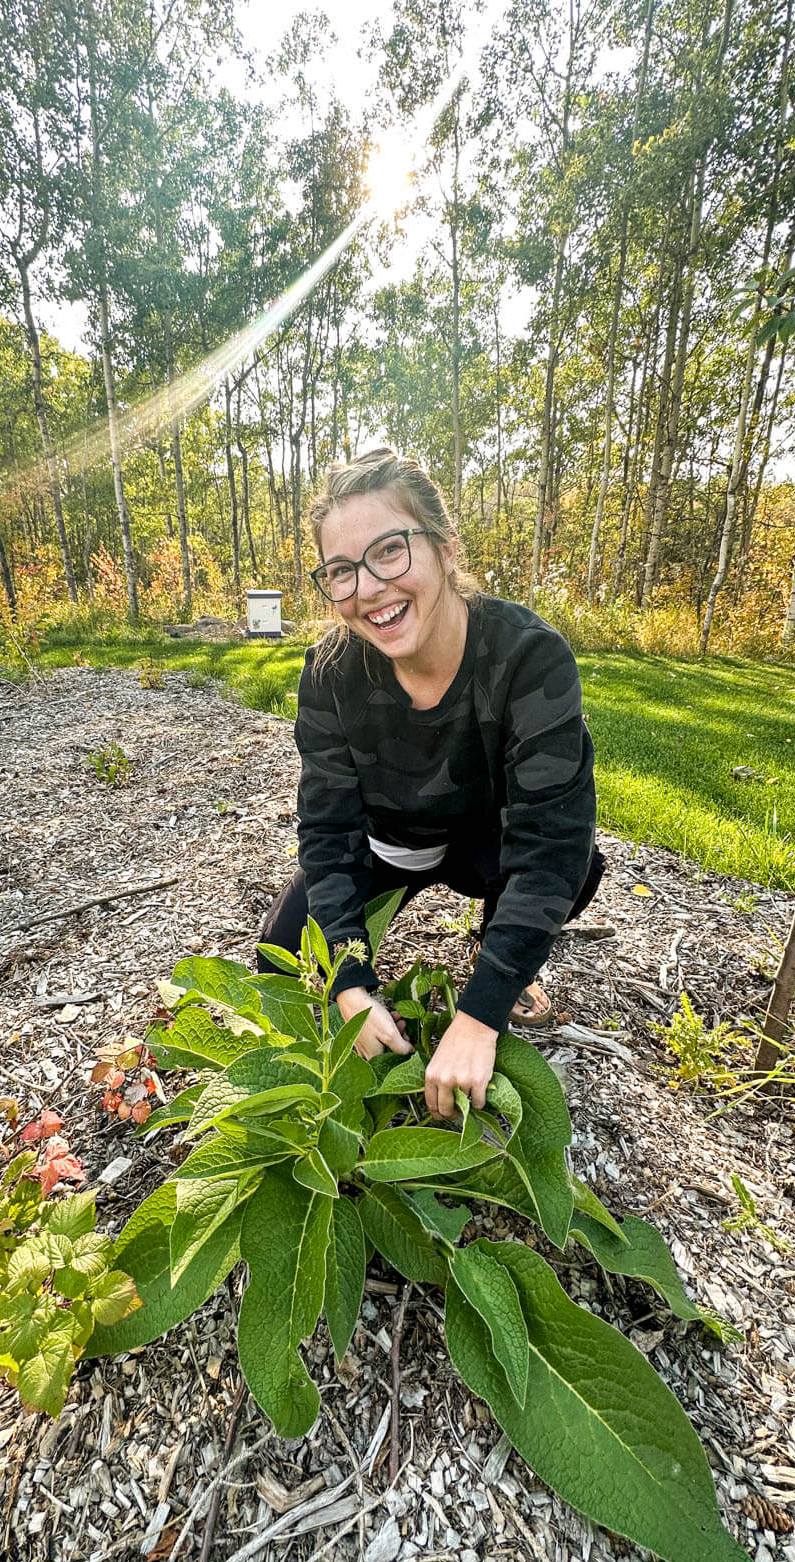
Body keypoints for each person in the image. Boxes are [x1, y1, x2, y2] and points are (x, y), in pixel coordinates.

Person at [258, 447, 602, 1120]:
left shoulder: (527, 657)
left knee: (574, 869)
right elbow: (328, 832)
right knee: (281, 958)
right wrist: (350, 977)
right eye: (341, 571)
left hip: (486, 843)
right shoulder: (330, 671)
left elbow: (552, 838)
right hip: (390, 846)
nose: (369, 588)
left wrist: (481, 1013)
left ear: (445, 548)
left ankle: (500, 955)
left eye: (390, 551)